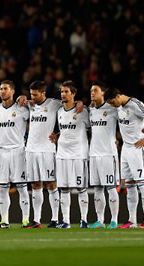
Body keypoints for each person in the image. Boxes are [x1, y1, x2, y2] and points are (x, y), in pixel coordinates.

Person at [20, 81, 82, 228]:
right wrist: (21, 97)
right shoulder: (30, 104)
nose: (32, 97)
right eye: (31, 94)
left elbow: (70, 104)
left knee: (51, 184)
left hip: (47, 150)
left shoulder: (54, 104)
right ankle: (36, 220)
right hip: (31, 150)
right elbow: (21, 101)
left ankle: (54, 219)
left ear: (43, 93)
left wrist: (79, 102)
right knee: (35, 184)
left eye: (35, 94)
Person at [105, 88, 144, 229]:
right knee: (129, 185)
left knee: (142, 183)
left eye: (113, 102)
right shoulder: (119, 106)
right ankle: (132, 220)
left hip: (138, 148)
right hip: (126, 148)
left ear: (118, 96)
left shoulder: (135, 104)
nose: (112, 105)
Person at [0, 80, 30, 228]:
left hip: (18, 151)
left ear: (13, 91)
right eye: (1, 89)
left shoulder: (22, 109)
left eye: (5, 89)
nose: (2, 91)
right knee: (3, 187)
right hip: (1, 152)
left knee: (22, 186)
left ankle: (25, 219)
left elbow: (37, 116)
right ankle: (4, 220)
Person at [54, 81, 90, 229]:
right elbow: (63, 130)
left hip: (79, 154)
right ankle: (66, 221)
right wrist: (56, 135)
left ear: (73, 94)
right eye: (62, 91)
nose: (63, 94)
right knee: (64, 188)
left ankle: (84, 220)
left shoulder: (83, 111)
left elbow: (93, 127)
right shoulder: (59, 112)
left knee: (81, 188)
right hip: (62, 154)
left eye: (66, 91)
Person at [88, 82, 120, 229]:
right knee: (98, 189)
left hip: (108, 154)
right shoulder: (91, 110)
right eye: (91, 91)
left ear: (103, 93)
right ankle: (100, 220)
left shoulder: (113, 109)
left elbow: (127, 120)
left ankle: (114, 220)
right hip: (93, 154)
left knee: (111, 188)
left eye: (95, 90)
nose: (92, 93)